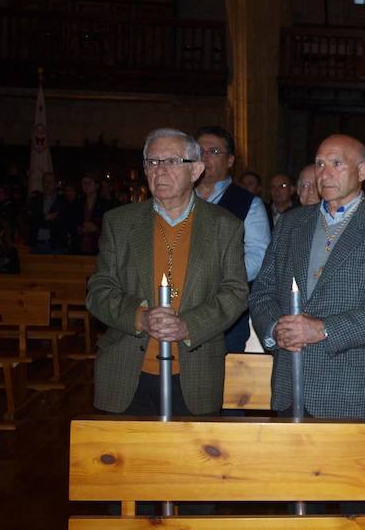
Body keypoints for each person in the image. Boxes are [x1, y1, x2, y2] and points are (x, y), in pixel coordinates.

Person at [86, 128, 248, 416]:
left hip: (195, 373)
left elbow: (235, 293)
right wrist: (141, 317)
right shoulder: (119, 222)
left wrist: (189, 325)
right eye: (152, 162)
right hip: (126, 372)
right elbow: (99, 290)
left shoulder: (225, 226)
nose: (160, 171)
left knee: (193, 461)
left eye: (172, 161)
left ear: (196, 170)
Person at [249, 134, 365, 419]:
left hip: (351, 392)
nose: (325, 173)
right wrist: (275, 329)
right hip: (290, 384)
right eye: (320, 164)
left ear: (361, 171)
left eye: (337, 163)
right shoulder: (291, 223)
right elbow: (263, 291)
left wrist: (323, 329)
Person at [194, 126, 271, 352]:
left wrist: (218, 279)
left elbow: (259, 255)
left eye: (213, 152)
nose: (205, 157)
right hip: (183, 304)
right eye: (200, 151)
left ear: (229, 160)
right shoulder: (180, 197)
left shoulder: (248, 202)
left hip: (227, 308)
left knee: (224, 379)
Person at [28, 172, 66, 253]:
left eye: (50, 182)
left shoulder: (63, 201)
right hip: (36, 245)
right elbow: (31, 221)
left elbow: (61, 223)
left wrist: (41, 219)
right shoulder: (35, 201)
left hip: (56, 246)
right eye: (45, 182)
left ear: (56, 184)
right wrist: (45, 218)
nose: (47, 184)